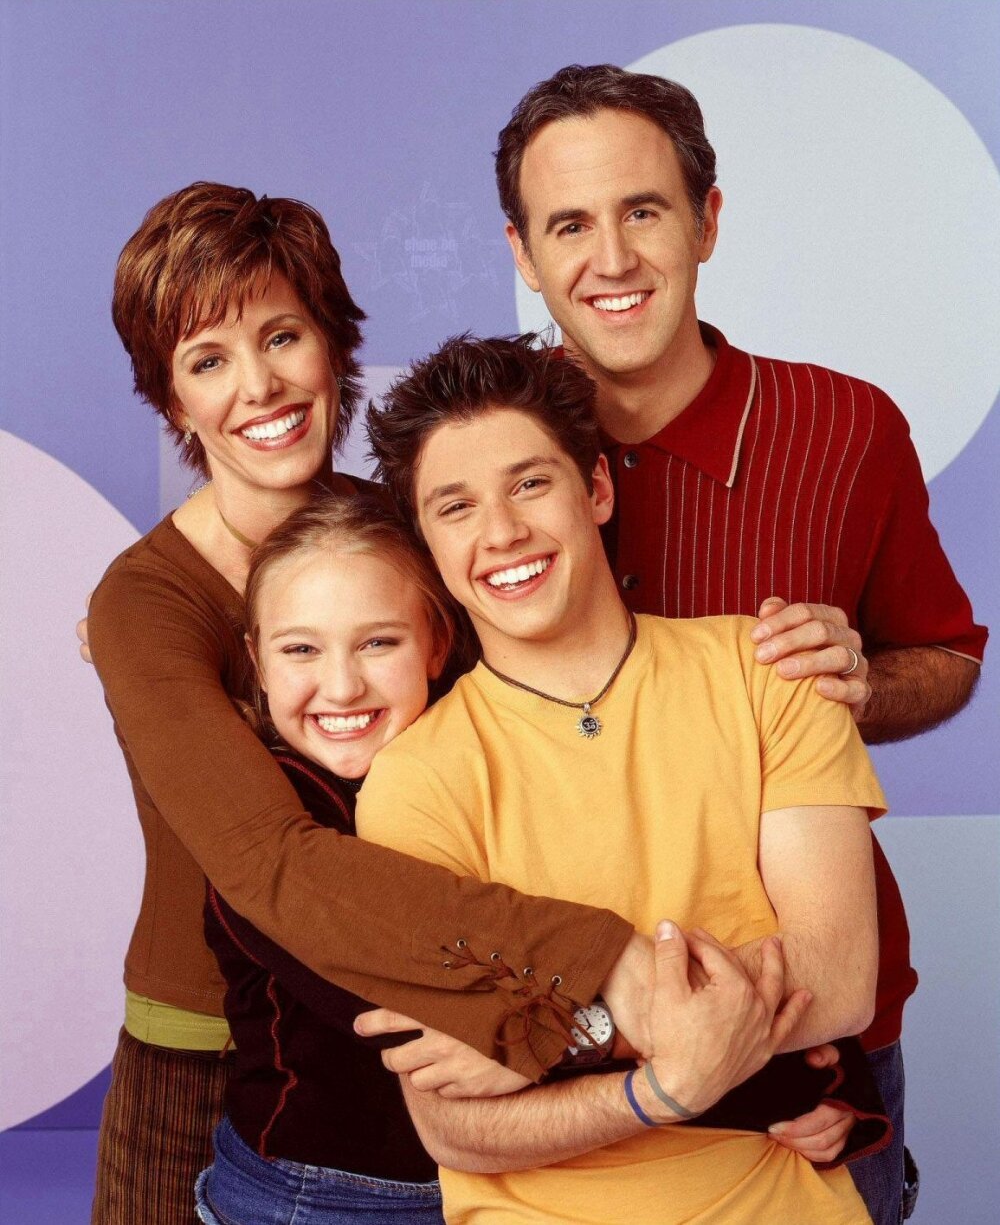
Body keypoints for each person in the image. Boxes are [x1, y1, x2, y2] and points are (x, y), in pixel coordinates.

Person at [86, 182, 658, 1225]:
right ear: (171, 401)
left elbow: (535, 719)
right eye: (208, 362)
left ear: (334, 344)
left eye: (282, 336)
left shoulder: (408, 529)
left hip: (450, 1022)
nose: (259, 385)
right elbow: (270, 862)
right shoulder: (146, 603)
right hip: (209, 1060)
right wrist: (600, 969)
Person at [491, 62, 989, 1223]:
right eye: (569, 224)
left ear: (706, 221)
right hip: (562, 1030)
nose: (611, 259)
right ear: (522, 253)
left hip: (817, 1031)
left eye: (643, 211)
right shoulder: (479, 444)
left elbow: (948, 655)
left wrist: (858, 686)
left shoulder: (846, 428)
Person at [361, 333, 886, 1224]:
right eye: (455, 507)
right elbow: (454, 1122)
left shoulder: (769, 672)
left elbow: (835, 977)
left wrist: (550, 1034)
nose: (502, 532)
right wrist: (663, 1086)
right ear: (427, 545)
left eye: (531, 483)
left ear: (596, 488)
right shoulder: (412, 781)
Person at [197, 493, 461, 1223]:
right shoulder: (260, 809)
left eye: (378, 642)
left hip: (491, 1177)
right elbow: (395, 1007)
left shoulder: (464, 764)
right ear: (257, 660)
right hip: (316, 1193)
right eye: (301, 649)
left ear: (436, 643)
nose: (342, 686)